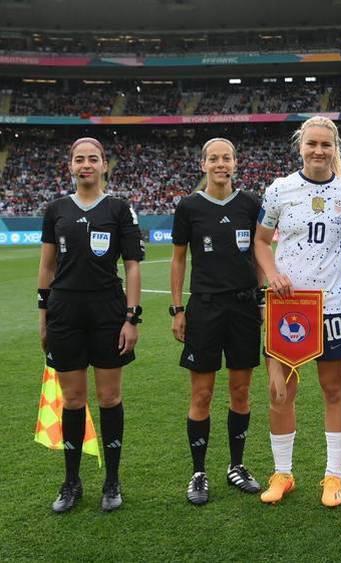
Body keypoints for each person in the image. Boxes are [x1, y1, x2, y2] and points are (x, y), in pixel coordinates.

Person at [254, 116, 341, 506]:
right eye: (312, 144)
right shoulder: (279, 189)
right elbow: (262, 240)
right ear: (300, 146)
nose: (318, 151)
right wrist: (272, 274)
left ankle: (333, 477)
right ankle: (283, 473)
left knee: (334, 389)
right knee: (280, 392)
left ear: (335, 148)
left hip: (331, 304)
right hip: (288, 307)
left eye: (325, 144)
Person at [39, 137, 144, 513]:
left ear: (104, 165)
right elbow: (47, 266)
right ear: (70, 165)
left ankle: (111, 481)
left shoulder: (119, 209)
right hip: (65, 311)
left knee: (109, 398)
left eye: (93, 159)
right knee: (72, 400)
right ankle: (71, 482)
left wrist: (131, 318)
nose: (86, 164)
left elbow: (132, 266)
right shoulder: (55, 210)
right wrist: (43, 315)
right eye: (79, 159)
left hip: (107, 312)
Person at [170, 138, 263, 505]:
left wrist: (261, 298)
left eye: (226, 158)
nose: (221, 163)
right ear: (203, 164)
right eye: (214, 158)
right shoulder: (189, 206)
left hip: (243, 308)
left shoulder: (250, 204)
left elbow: (260, 253)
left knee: (240, 391)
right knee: (202, 394)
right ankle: (199, 472)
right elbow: (179, 259)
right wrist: (178, 309)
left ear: (235, 163)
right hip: (204, 309)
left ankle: (236, 466)